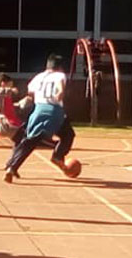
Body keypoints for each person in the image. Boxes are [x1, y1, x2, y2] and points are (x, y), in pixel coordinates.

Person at [4, 53, 77, 183]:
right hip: (54, 110)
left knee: (30, 141)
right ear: (60, 67)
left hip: (38, 110)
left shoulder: (39, 76)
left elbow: (30, 91)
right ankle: (58, 156)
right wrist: (60, 94)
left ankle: (12, 167)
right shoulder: (60, 75)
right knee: (68, 135)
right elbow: (60, 89)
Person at [0, 72, 24, 143]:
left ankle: (19, 138)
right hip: (5, 125)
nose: (11, 87)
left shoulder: (3, 99)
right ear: (3, 84)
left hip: (6, 125)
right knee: (30, 137)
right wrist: (10, 89)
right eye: (10, 85)